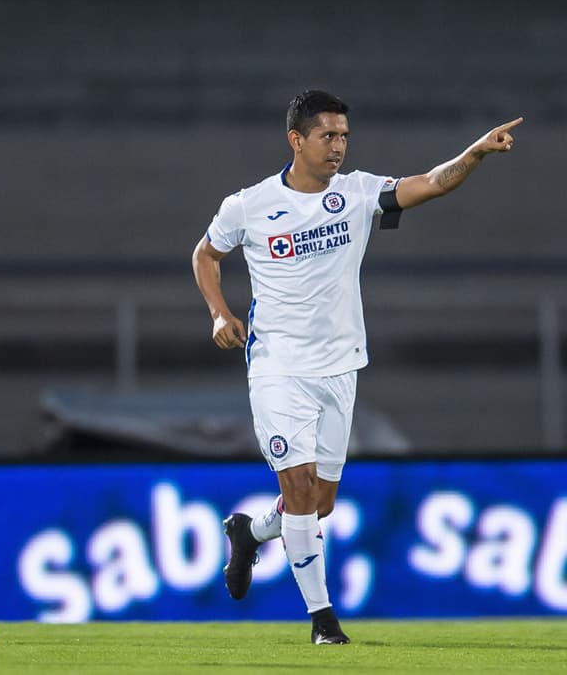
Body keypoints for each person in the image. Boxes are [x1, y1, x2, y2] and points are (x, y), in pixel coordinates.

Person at [191, 90, 521, 644]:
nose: (338, 146)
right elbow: (205, 255)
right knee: (296, 484)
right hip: (277, 365)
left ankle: (249, 532)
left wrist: (476, 153)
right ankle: (323, 621)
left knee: (317, 506)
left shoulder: (358, 192)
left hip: (340, 366)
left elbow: (432, 183)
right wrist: (219, 314)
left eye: (344, 135)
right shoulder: (247, 205)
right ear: (297, 140)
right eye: (328, 136)